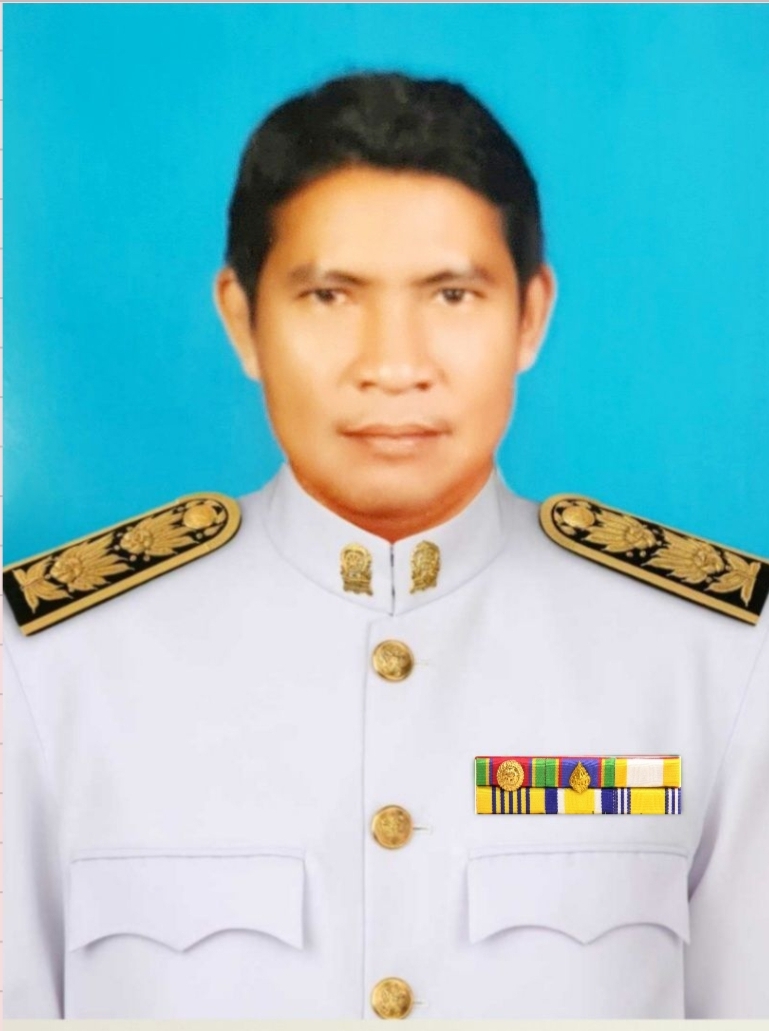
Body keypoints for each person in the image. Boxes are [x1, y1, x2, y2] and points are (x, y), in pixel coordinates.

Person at [4, 71, 768, 1020]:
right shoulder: (52, 666)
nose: (394, 366)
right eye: (330, 295)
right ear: (243, 318)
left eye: (451, 294)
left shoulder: (711, 660)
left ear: (529, 315)